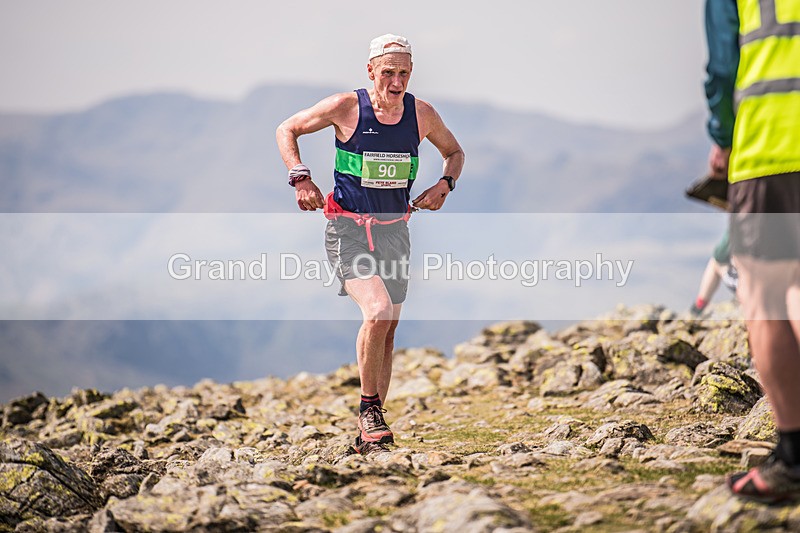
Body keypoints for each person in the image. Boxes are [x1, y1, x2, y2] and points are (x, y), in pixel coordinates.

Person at [275, 34, 464, 454]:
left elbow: (454, 152)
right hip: (348, 229)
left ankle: (370, 431)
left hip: (396, 231)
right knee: (377, 312)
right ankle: (369, 410)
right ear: (371, 71)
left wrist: (444, 185)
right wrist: (300, 176)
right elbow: (287, 128)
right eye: (388, 73)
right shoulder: (347, 107)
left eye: (404, 73)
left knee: (389, 330)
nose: (397, 83)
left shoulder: (422, 113)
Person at [705, 0, 800, 502]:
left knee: (767, 298)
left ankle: (793, 457)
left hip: (769, 146)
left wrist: (723, 136)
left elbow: (723, 67)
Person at [690, 229, 738, 316]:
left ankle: (698, 307)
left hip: (754, 289)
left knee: (715, 263)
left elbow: (720, 255)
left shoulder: (743, 219)